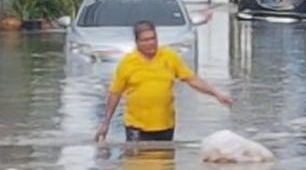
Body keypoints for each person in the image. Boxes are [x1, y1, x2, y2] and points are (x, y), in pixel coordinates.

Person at [94, 21, 232, 143]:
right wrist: (105, 123)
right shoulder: (127, 63)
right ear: (137, 42)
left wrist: (217, 93)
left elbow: (192, 79)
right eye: (145, 40)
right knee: (137, 169)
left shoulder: (169, 57)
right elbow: (115, 94)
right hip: (136, 127)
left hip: (165, 126)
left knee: (163, 168)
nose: (151, 43)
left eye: (153, 38)